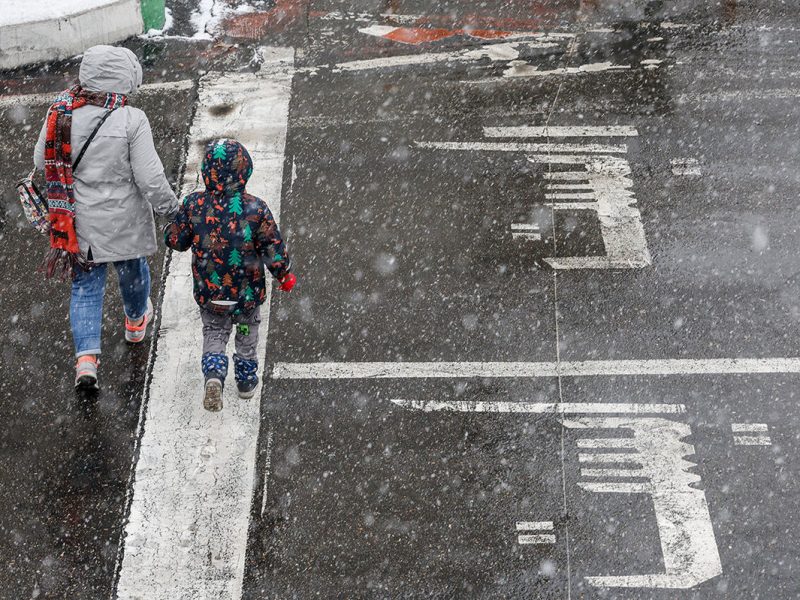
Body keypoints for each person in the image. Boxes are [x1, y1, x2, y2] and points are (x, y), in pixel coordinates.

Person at [33, 45, 179, 390]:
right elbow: (150, 178)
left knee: (85, 288)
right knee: (133, 273)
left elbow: (42, 161)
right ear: (124, 80)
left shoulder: (61, 111)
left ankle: (86, 361)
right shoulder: (131, 119)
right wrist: (173, 209)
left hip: (79, 224)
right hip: (125, 221)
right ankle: (134, 323)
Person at [164, 138, 296, 411]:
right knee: (247, 333)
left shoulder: (194, 205)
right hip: (246, 297)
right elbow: (272, 248)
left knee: (214, 332)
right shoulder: (256, 209)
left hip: (210, 293)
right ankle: (246, 382)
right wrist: (284, 275)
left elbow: (177, 241)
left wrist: (170, 230)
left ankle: (214, 375)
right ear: (245, 170)